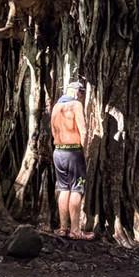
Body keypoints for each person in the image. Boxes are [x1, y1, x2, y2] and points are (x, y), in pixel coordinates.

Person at [51, 81, 94, 239]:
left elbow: (53, 131)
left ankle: (63, 228)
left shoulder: (56, 107)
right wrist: (86, 153)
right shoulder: (76, 105)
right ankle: (75, 231)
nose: (81, 97)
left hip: (58, 152)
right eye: (81, 94)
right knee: (77, 188)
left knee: (64, 189)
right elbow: (83, 131)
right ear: (77, 93)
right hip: (73, 153)